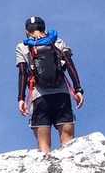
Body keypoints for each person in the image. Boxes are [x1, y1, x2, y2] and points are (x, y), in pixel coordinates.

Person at [16, 15, 85, 154]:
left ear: (26, 31)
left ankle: (48, 165)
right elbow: (70, 66)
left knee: (44, 147)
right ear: (44, 28)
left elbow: (23, 73)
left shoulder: (22, 46)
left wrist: (21, 99)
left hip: (39, 98)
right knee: (68, 143)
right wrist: (78, 89)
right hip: (62, 96)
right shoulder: (57, 41)